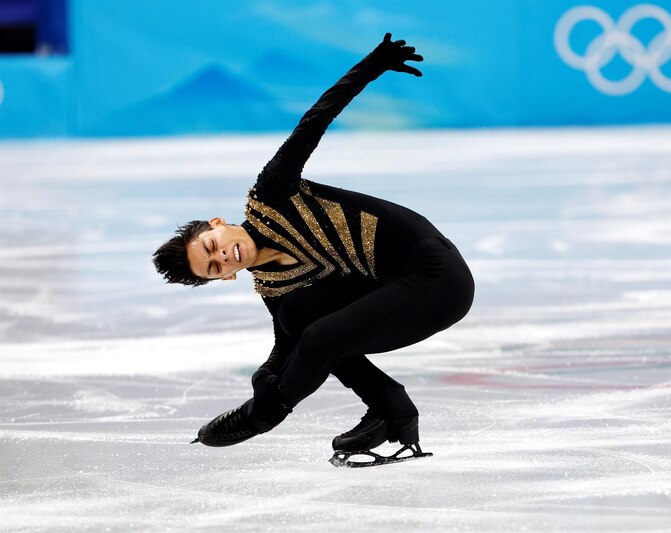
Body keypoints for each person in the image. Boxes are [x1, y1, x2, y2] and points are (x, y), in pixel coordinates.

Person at [153, 34, 474, 462]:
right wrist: (268, 372)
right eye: (213, 266)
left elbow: (315, 120)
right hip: (393, 286)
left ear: (218, 223)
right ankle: (389, 407)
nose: (222, 256)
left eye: (213, 246)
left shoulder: (272, 194)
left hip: (436, 275)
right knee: (297, 317)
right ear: (225, 277)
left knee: (321, 335)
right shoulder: (269, 284)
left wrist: (373, 65)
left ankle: (262, 417)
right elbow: (287, 342)